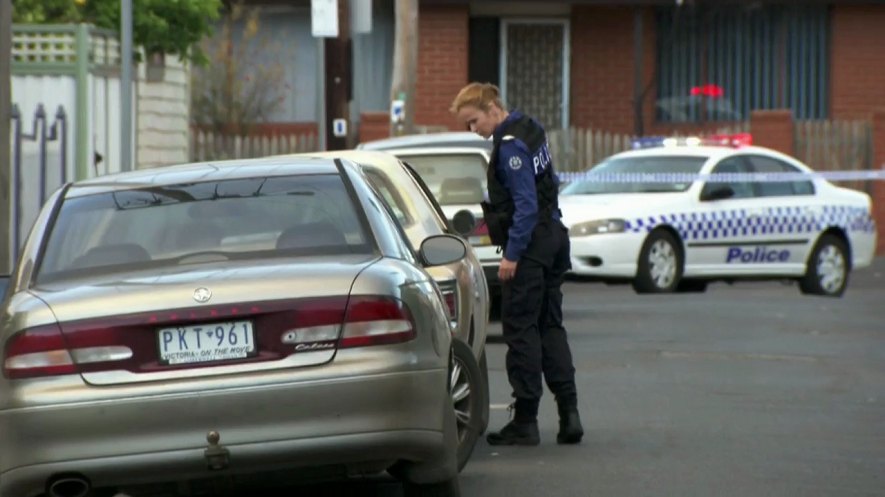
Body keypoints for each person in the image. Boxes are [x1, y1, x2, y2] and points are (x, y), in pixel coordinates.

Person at [450, 82, 583, 445]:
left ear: (492, 108)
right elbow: (549, 186)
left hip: (531, 246)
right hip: (554, 236)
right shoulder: (532, 128)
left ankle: (526, 420)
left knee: (521, 330)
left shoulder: (509, 146)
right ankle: (569, 414)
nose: (472, 129)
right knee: (550, 326)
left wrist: (512, 254)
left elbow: (524, 204)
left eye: (473, 120)